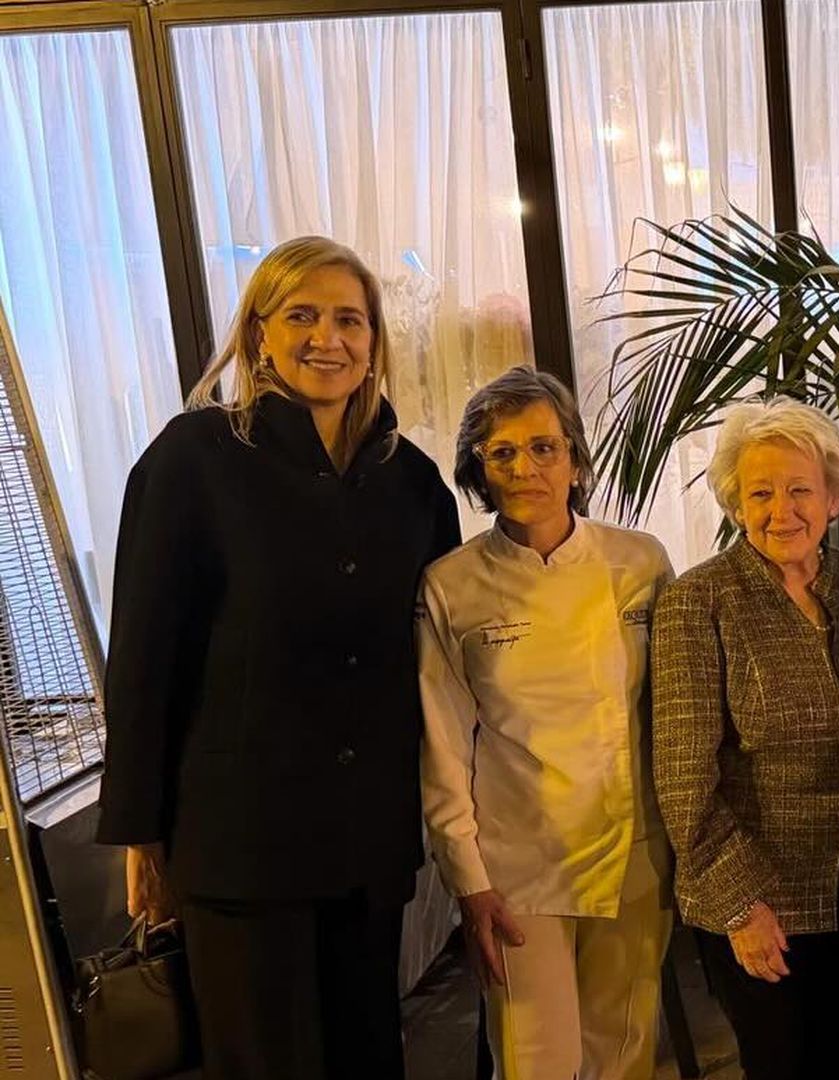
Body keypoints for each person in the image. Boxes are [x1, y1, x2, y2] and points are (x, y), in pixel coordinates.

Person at [96, 235, 460, 1079]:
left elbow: (437, 656)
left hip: (368, 837)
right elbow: (144, 663)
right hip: (240, 843)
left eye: (348, 320)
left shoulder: (413, 483)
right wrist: (141, 835)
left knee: (368, 1055)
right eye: (301, 315)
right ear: (259, 332)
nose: (326, 338)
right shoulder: (193, 461)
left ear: (374, 342)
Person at [417, 366, 674, 1079]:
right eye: (502, 452)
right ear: (479, 470)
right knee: (537, 1063)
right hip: (517, 869)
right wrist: (468, 880)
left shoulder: (640, 562)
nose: (525, 467)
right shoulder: (452, 586)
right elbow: (442, 745)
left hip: (634, 852)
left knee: (623, 1057)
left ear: (574, 459)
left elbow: (676, 712)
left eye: (543, 447)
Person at [652, 398, 839, 1079]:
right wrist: (741, 905)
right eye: (760, 493)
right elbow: (683, 776)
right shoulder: (699, 601)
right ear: (735, 504)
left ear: (835, 497)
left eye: (799, 490)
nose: (781, 510)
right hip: (763, 901)